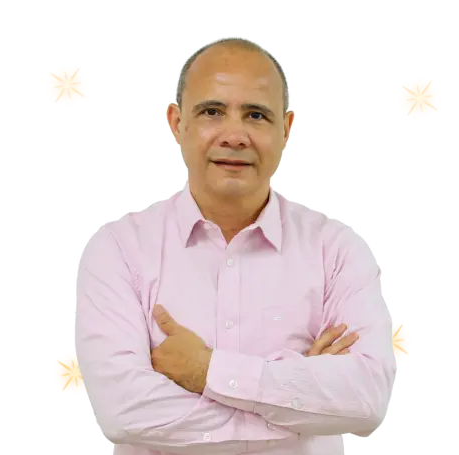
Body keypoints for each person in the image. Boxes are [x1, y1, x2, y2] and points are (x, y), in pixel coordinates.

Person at [74, 37, 396, 455]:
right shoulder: (117, 249)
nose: (234, 135)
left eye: (256, 115)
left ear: (287, 130)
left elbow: (367, 402)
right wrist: (299, 399)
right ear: (175, 122)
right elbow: (123, 413)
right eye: (212, 111)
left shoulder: (336, 249)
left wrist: (204, 370)